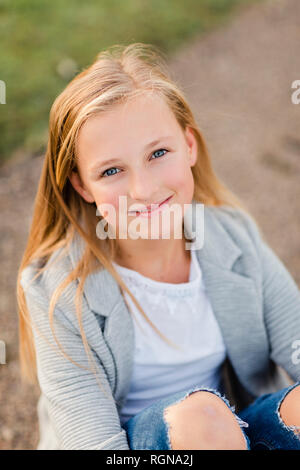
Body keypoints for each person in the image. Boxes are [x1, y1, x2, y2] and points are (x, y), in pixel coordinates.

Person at [17, 43, 300, 450]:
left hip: (232, 436)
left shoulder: (232, 237)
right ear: (82, 185)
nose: (144, 190)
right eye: (112, 170)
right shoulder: (55, 287)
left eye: (158, 153)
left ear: (189, 146)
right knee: (201, 418)